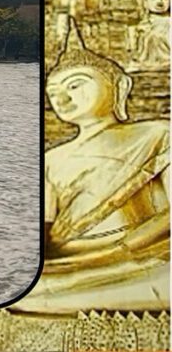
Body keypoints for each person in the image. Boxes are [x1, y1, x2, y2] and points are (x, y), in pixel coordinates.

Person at [15, 19, 169, 314]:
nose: (63, 98)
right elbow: (42, 229)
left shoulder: (158, 135)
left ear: (119, 85)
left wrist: (126, 247)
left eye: (76, 84)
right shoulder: (52, 159)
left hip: (141, 253)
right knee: (24, 291)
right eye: (54, 92)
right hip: (72, 263)